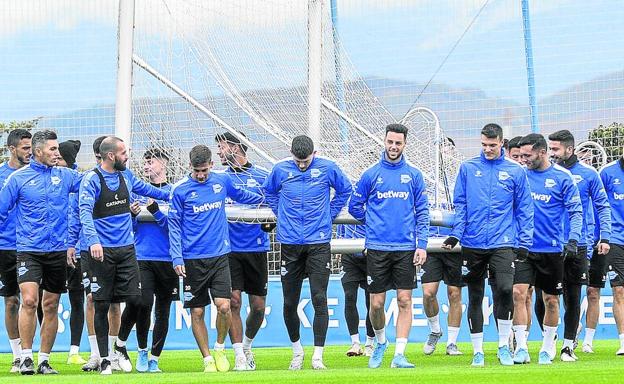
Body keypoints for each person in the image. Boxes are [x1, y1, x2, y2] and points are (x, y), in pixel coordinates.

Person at [442, 123, 534, 367]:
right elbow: (460, 204)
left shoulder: (515, 171)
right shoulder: (468, 168)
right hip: (473, 242)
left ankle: (504, 345)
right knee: (475, 295)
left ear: (501, 143)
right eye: (484, 145)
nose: (487, 149)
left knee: (505, 290)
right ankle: (478, 351)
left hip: (503, 242)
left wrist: (524, 241)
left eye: (492, 145)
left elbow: (524, 209)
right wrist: (457, 234)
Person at [168, 144, 264, 373]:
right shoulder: (180, 190)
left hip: (220, 256)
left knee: (224, 306)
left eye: (204, 170)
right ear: (189, 166)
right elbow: (173, 226)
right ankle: (207, 359)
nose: (201, 175)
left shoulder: (222, 182)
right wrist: (176, 258)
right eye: (196, 171)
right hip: (192, 259)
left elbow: (244, 196)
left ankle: (220, 347)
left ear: (211, 164)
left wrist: (267, 198)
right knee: (198, 311)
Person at [79, 136, 170, 375]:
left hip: (127, 250)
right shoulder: (92, 180)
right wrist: (94, 241)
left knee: (138, 300)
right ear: (111, 156)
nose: (127, 157)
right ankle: (105, 360)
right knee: (102, 305)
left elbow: (151, 191)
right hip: (102, 252)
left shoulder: (126, 176)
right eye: (124, 153)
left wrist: (179, 195)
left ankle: (120, 345)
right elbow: (85, 213)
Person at [263, 135, 352, 370]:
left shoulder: (328, 167)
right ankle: (297, 352)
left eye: (306, 161)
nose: (302, 165)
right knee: (289, 302)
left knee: (319, 298)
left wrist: (329, 215)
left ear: (315, 153)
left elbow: (345, 190)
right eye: (298, 161)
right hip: (289, 244)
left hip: (318, 243)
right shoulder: (280, 169)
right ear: (291, 154)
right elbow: (269, 192)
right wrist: (280, 214)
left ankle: (317, 356)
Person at [0, 130, 82, 375]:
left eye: (57, 149)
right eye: (53, 149)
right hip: (28, 250)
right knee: (28, 300)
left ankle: (44, 360)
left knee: (51, 304)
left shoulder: (66, 176)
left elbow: (93, 185)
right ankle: (25, 357)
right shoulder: (18, 178)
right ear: (38, 152)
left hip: (57, 251)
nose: (58, 153)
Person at [349, 123, 429, 369]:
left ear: (405, 144)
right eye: (390, 142)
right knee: (376, 304)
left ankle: (399, 355)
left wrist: (422, 245)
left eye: (398, 143)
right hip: (377, 248)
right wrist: (373, 222)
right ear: (384, 142)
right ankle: (381, 342)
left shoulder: (414, 175)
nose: (393, 147)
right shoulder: (370, 174)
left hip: (405, 248)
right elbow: (354, 207)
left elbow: (423, 211)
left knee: (405, 300)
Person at [513, 133, 583, 365]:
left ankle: (547, 345)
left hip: (552, 249)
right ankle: (521, 347)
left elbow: (575, 211)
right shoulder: (519, 175)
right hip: (523, 247)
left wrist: (573, 239)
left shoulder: (562, 177)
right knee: (519, 294)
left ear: (542, 152)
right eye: (520, 155)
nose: (523, 159)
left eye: (527, 155)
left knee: (551, 300)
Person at [548, 130, 611, 361]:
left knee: (573, 297)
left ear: (569, 149)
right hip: (550, 244)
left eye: (555, 149)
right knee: (546, 298)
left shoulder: (588, 174)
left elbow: (603, 206)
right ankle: (550, 339)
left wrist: (605, 236)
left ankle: (567, 346)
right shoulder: (547, 173)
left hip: (579, 244)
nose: (552, 153)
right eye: (550, 149)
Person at [115, 148, 177, 373]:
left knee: (163, 309)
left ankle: (154, 358)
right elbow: (129, 229)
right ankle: (140, 351)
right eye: (145, 162)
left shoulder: (173, 192)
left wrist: (157, 213)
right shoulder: (136, 193)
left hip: (168, 259)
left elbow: (177, 229)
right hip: (142, 257)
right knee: (141, 303)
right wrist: (132, 215)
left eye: (151, 162)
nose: (147, 165)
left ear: (164, 164)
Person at [215, 132, 271, 371]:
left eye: (221, 146)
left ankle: (247, 345)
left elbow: (272, 207)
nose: (218, 151)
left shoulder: (262, 176)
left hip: (256, 248)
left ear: (235, 147)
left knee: (258, 307)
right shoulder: (220, 179)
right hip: (229, 251)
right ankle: (239, 355)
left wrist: (269, 222)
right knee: (234, 302)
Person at [0, 129, 31, 373]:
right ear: (12, 149)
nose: (29, 152)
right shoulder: (1, 175)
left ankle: (37, 355)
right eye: (25, 148)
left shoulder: (35, 174)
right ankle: (17, 355)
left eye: (31, 147)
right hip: (5, 247)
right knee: (12, 301)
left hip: (31, 247)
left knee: (35, 302)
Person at [57, 140, 88, 366]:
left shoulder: (80, 183)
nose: (55, 160)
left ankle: (74, 350)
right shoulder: (50, 180)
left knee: (78, 300)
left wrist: (75, 245)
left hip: (76, 251)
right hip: (51, 250)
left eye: (59, 158)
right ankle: (42, 352)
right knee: (44, 300)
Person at [421, 221, 463, 356]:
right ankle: (435, 331)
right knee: (428, 293)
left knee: (454, 294)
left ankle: (451, 343)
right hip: (430, 244)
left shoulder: (456, 197)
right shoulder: (423, 197)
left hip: (454, 245)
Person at [598, 153, 624, 355]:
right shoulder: (607, 173)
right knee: (619, 290)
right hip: (615, 239)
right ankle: (623, 341)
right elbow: (599, 205)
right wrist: (602, 236)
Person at [336, 224, 375, 357]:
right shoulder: (346, 203)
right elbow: (341, 223)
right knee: (349, 296)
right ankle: (355, 343)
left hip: (371, 254)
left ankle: (370, 343)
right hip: (349, 255)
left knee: (372, 301)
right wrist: (340, 244)